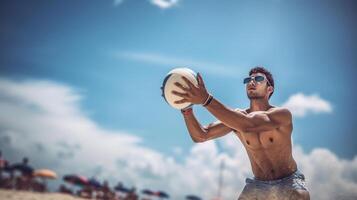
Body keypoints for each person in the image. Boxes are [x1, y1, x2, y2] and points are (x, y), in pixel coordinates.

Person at [172, 66, 310, 199]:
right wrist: (186, 109)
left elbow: (249, 125)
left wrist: (206, 99)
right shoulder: (236, 118)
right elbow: (201, 135)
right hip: (258, 184)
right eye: (248, 80)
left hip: (288, 181)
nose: (251, 82)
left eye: (259, 79)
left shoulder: (281, 115)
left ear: (270, 89)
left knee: (299, 196)